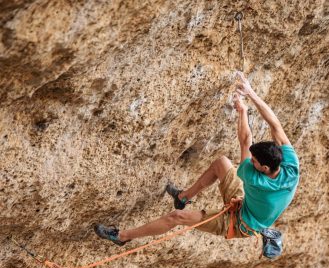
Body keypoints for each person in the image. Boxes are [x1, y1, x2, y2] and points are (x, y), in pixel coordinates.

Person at [94, 72, 299, 245]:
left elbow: (245, 140)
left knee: (176, 217)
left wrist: (243, 110)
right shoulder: (291, 167)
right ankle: (182, 197)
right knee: (222, 163)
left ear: (263, 167)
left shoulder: (254, 178)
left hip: (238, 223)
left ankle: (122, 236)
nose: (249, 162)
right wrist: (251, 93)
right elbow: (275, 126)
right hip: (249, 205)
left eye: (254, 161)